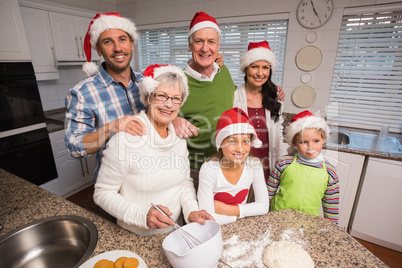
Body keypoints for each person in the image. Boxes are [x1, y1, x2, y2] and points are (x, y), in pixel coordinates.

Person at [93, 64, 213, 236]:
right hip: (137, 235)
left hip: (176, 231)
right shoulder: (125, 140)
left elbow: (184, 183)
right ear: (148, 97)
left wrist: (191, 211)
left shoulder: (178, 139)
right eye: (161, 96)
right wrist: (142, 215)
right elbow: (102, 193)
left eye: (176, 98)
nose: (169, 104)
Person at [64, 12, 147, 180]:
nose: (117, 48)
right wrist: (111, 127)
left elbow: (179, 85)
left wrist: (214, 64)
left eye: (122, 39)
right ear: (99, 50)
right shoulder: (82, 93)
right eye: (108, 42)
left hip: (154, 175)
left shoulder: (148, 81)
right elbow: (74, 146)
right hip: (115, 185)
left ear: (132, 44)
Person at [197, 107, 269, 225]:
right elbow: (208, 218)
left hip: (240, 229)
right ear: (220, 143)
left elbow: (263, 206)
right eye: (232, 141)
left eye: (245, 141)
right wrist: (240, 217)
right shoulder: (209, 169)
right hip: (214, 230)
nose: (240, 149)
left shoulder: (255, 166)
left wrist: (227, 210)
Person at [267, 110, 339, 223]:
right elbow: (269, 192)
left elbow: (331, 205)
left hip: (307, 222)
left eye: (316, 141)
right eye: (303, 142)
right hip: (277, 216)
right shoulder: (284, 163)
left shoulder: (330, 171)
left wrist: (332, 228)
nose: (310, 147)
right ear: (294, 142)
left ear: (323, 139)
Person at [234, 41, 287, 183]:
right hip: (243, 163)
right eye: (254, 67)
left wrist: (281, 164)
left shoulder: (275, 97)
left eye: (265, 68)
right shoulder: (234, 97)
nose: (260, 73)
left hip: (269, 163)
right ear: (246, 69)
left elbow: (279, 132)